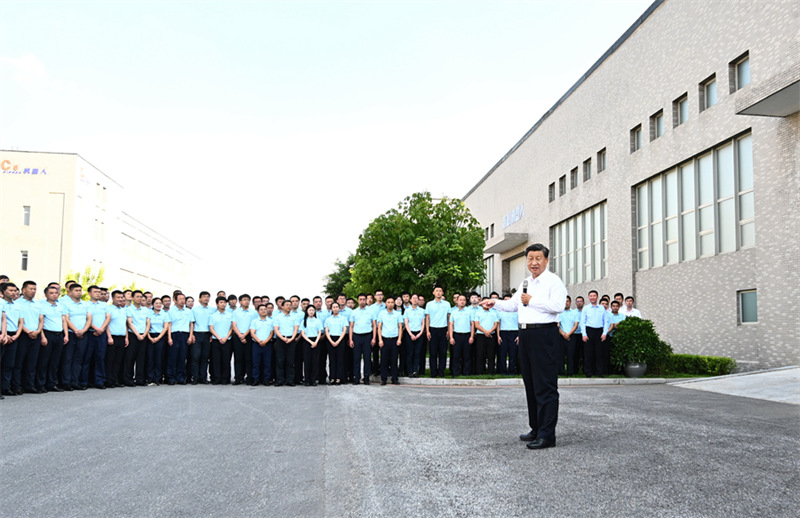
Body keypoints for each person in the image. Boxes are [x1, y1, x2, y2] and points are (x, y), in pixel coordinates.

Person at [481, 243, 567, 450]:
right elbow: (515, 305)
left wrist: (532, 300)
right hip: (526, 335)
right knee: (531, 383)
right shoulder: (526, 282)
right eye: (530, 259)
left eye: (538, 258)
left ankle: (548, 435)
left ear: (546, 260)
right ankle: (536, 428)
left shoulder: (554, 282)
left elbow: (558, 307)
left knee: (545, 385)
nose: (533, 262)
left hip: (544, 334)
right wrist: (496, 303)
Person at [15, 281, 44, 394]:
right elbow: (17, 321)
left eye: (34, 289)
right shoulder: (17, 303)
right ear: (23, 290)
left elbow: (41, 320)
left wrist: (37, 331)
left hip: (35, 335)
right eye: (31, 289)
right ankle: (17, 385)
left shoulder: (38, 304)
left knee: (32, 362)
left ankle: (29, 385)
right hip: (23, 335)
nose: (33, 291)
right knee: (19, 362)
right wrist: (27, 331)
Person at [38, 285, 68, 393]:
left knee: (55, 361)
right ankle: (41, 384)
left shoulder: (61, 306)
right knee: (44, 361)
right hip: (47, 334)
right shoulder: (41, 306)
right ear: (46, 294)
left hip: (59, 334)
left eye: (56, 293)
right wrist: (42, 336)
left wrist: (66, 335)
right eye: (51, 293)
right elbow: (40, 322)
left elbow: (64, 320)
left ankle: (52, 383)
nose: (54, 295)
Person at [63, 283, 93, 390]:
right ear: (70, 292)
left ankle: (75, 381)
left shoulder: (85, 305)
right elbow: (66, 319)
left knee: (79, 359)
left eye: (80, 290)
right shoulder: (66, 304)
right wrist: (75, 330)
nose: (79, 292)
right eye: (76, 290)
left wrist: (83, 330)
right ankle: (66, 382)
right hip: (71, 333)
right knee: (68, 359)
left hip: (83, 334)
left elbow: (89, 319)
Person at [85, 285, 110, 389]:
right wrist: (95, 328)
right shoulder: (85, 305)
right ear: (89, 293)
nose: (98, 294)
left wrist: (101, 329)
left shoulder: (104, 305)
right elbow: (86, 319)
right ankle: (85, 381)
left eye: (99, 292)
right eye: (95, 292)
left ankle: (99, 381)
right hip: (90, 333)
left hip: (101, 334)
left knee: (100, 358)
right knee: (87, 358)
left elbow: (108, 318)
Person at [1, 282, 24, 396]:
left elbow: (21, 322)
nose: (14, 293)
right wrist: (4, 335)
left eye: (15, 290)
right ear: (3, 291)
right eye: (11, 290)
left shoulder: (17, 305)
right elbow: (3, 320)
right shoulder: (1, 303)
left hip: (14, 335)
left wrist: (16, 335)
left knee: (9, 364)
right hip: (3, 335)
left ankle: (5, 387)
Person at [581, 290, 609, 378]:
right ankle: (588, 372)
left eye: (594, 296)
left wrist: (604, 333)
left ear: (597, 297)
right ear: (589, 297)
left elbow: (606, 321)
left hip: (599, 331)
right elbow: (582, 322)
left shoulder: (602, 308)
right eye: (591, 296)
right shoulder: (586, 308)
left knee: (599, 353)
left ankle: (599, 372)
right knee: (588, 353)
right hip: (589, 331)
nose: (592, 297)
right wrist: (584, 334)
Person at [125, 290, 150, 386]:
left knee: (141, 358)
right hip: (133, 335)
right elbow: (130, 323)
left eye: (141, 297)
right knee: (130, 358)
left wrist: (144, 334)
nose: (139, 299)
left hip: (143, 335)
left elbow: (148, 323)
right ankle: (128, 379)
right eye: (137, 296)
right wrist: (137, 335)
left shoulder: (146, 310)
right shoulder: (128, 309)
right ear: (132, 298)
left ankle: (140, 379)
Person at [349, 293, 375, 385]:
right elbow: (351, 326)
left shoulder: (371, 311)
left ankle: (366, 377)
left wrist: (374, 338)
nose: (362, 301)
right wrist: (351, 339)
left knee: (367, 358)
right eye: (360, 299)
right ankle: (357, 377)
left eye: (364, 299)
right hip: (356, 336)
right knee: (356, 358)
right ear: (358, 300)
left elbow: (374, 325)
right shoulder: (354, 312)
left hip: (367, 336)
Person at [425, 285, 450, 377]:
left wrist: (448, 330)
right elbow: (427, 318)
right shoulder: (429, 304)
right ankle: (433, 372)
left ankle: (441, 372)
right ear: (433, 293)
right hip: (433, 329)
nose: (438, 292)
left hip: (443, 329)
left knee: (443, 352)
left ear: (442, 293)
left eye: (440, 291)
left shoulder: (447, 304)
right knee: (433, 352)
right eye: (437, 290)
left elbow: (448, 317)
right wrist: (427, 331)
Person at [377, 296, 403, 385]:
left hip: (395, 339)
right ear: (386, 304)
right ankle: (383, 379)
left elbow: (400, 327)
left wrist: (399, 339)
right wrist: (380, 339)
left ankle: (394, 378)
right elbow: (379, 327)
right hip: (384, 339)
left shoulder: (397, 314)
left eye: (392, 302)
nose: (390, 304)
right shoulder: (381, 314)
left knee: (394, 360)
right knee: (384, 360)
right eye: (388, 302)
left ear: (394, 303)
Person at [209, 296, 234, 384]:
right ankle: (217, 378)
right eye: (221, 302)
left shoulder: (230, 315)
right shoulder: (213, 316)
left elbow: (232, 327)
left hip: (227, 340)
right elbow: (211, 328)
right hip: (216, 340)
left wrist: (226, 337)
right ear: (217, 304)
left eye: (224, 302)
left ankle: (225, 379)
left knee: (226, 360)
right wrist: (219, 338)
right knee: (216, 360)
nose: (223, 304)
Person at [273, 300, 298, 387]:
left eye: (290, 305)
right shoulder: (278, 317)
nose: (289, 306)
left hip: (291, 340)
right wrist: (283, 338)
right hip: (281, 339)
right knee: (280, 360)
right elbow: (276, 329)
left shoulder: (294, 317)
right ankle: (280, 380)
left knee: (290, 361)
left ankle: (290, 380)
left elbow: (295, 329)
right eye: (287, 305)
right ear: (282, 306)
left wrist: (292, 338)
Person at [231, 294, 255, 385]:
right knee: (238, 358)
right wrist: (240, 335)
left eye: (248, 300)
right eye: (244, 300)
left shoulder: (253, 313)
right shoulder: (236, 312)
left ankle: (249, 377)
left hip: (249, 336)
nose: (246, 301)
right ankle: (238, 377)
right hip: (238, 336)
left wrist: (245, 335)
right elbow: (234, 325)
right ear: (240, 301)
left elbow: (253, 325)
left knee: (249, 358)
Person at [191, 291, 215, 384]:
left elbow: (214, 323)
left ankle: (203, 377)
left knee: (205, 357)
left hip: (207, 335)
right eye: (204, 297)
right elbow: (192, 323)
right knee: (196, 356)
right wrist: (192, 334)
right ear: (200, 298)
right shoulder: (194, 309)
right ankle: (195, 377)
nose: (206, 298)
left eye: (208, 297)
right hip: (196, 334)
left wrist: (212, 335)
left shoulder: (212, 310)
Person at [448, 294, 473, 377]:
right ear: (457, 301)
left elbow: (472, 324)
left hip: (466, 335)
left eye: (464, 300)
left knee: (467, 355)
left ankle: (466, 372)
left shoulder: (469, 311)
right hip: (456, 335)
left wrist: (471, 336)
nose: (462, 301)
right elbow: (451, 325)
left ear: (466, 302)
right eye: (460, 300)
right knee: (456, 355)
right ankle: (455, 373)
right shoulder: (453, 312)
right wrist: (451, 337)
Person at [147, 298, 171, 386]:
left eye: (160, 303)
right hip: (150, 336)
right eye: (156, 303)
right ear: (153, 304)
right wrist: (149, 337)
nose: (158, 305)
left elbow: (166, 327)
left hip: (160, 337)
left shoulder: (165, 314)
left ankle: (158, 378)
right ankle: (150, 378)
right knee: (150, 358)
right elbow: (147, 326)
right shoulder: (149, 314)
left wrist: (158, 338)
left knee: (159, 358)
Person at [250, 303, 274, 386]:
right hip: (257, 344)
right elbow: (252, 333)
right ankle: (256, 379)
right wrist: (259, 341)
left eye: (265, 309)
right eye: (261, 309)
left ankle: (266, 379)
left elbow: (271, 333)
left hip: (268, 344)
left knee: (267, 363)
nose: (264, 311)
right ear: (258, 311)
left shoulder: (271, 321)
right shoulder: (254, 321)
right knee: (256, 363)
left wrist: (265, 341)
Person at [324, 302, 348, 385]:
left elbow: (344, 330)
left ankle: (339, 378)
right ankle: (332, 377)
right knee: (332, 359)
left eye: (336, 307)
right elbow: (327, 331)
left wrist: (338, 341)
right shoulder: (328, 319)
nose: (335, 308)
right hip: (330, 339)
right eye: (333, 307)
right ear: (331, 308)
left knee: (340, 359)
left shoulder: (343, 318)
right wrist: (331, 341)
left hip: (340, 339)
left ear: (339, 308)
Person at [300, 305, 324, 386]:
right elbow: (302, 333)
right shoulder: (304, 321)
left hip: (316, 341)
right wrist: (310, 342)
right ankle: (307, 380)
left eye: (313, 310)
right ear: (307, 311)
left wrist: (316, 342)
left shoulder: (317, 321)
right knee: (307, 361)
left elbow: (319, 332)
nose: (311, 312)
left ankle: (314, 379)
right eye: (310, 310)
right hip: (307, 341)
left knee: (315, 361)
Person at [403, 294, 425, 378]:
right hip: (410, 333)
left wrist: (420, 333)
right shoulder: (407, 311)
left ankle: (415, 370)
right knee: (410, 353)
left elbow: (423, 323)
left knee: (417, 353)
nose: (415, 300)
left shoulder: (422, 311)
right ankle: (409, 371)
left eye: (417, 298)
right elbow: (406, 323)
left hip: (419, 333)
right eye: (414, 298)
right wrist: (411, 334)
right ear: (411, 300)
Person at [497, 293, 519, 375]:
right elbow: (498, 324)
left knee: (513, 353)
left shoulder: (517, 312)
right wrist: (498, 336)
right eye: (505, 300)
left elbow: (520, 324)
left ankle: (512, 371)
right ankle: (503, 371)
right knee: (503, 353)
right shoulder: (500, 312)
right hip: (503, 333)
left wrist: (519, 335)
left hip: (514, 332)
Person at [557, 296, 580, 376]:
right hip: (561, 336)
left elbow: (576, 325)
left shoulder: (575, 313)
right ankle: (561, 372)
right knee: (561, 355)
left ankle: (571, 372)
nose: (566, 303)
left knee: (571, 354)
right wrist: (564, 334)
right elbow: (558, 325)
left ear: (570, 303)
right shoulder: (559, 313)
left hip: (571, 336)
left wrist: (568, 334)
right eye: (564, 301)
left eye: (567, 301)